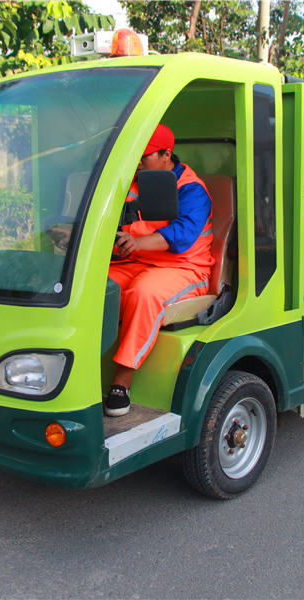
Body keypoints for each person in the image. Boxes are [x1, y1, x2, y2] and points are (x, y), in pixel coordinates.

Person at [105, 124, 214, 417]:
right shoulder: (133, 182)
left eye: (144, 157)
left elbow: (182, 234)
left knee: (143, 294)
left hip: (185, 269)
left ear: (167, 154)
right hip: (136, 262)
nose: (138, 163)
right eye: (136, 157)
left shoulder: (192, 189)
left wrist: (137, 243)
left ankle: (121, 383)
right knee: (94, 288)